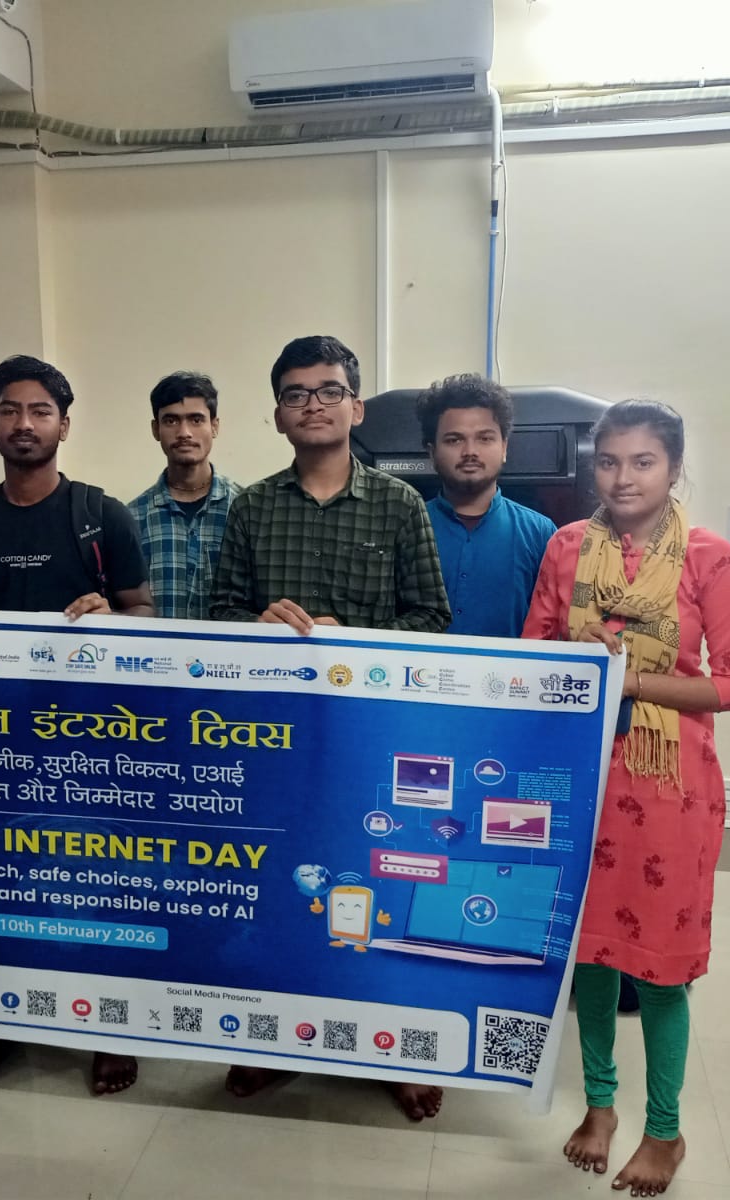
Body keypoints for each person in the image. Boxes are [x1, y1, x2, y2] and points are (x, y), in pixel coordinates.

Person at [210, 334, 451, 1121]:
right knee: (275, 888)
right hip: (274, 742)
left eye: (328, 390)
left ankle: (394, 1047)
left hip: (371, 738)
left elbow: (433, 620)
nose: (312, 405)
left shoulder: (399, 505)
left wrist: (360, 638)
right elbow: (216, 617)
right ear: (278, 414)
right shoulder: (252, 508)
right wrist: (254, 624)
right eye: (295, 394)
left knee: (379, 886)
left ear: (357, 407)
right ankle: (274, 1038)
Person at [521, 399, 730, 1198]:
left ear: (674, 468)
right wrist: (572, 652)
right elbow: (531, 655)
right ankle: (599, 1106)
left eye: (643, 462)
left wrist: (630, 681)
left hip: (670, 787)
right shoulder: (566, 547)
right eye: (609, 461)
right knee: (588, 951)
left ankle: (665, 1129)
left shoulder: (709, 557)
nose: (623, 478)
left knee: (659, 967)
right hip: (580, 775)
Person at [0, 353, 154, 1094]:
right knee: (6, 883)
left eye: (40, 411)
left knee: (99, 882)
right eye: (9, 410)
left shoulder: (101, 516)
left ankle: (110, 1028)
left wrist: (110, 615)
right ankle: (3, 1019)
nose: (24, 423)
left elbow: (144, 613)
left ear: (64, 424)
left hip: (95, 741)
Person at [418, 373, 556, 638]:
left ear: (504, 447)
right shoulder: (408, 527)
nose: (470, 451)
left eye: (485, 438)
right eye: (454, 440)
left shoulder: (541, 534)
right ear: (432, 453)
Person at [128, 371, 241, 620]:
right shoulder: (132, 517)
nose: (184, 432)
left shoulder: (243, 509)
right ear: (155, 429)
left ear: (215, 426)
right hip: (155, 647)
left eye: (196, 419)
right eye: (171, 421)